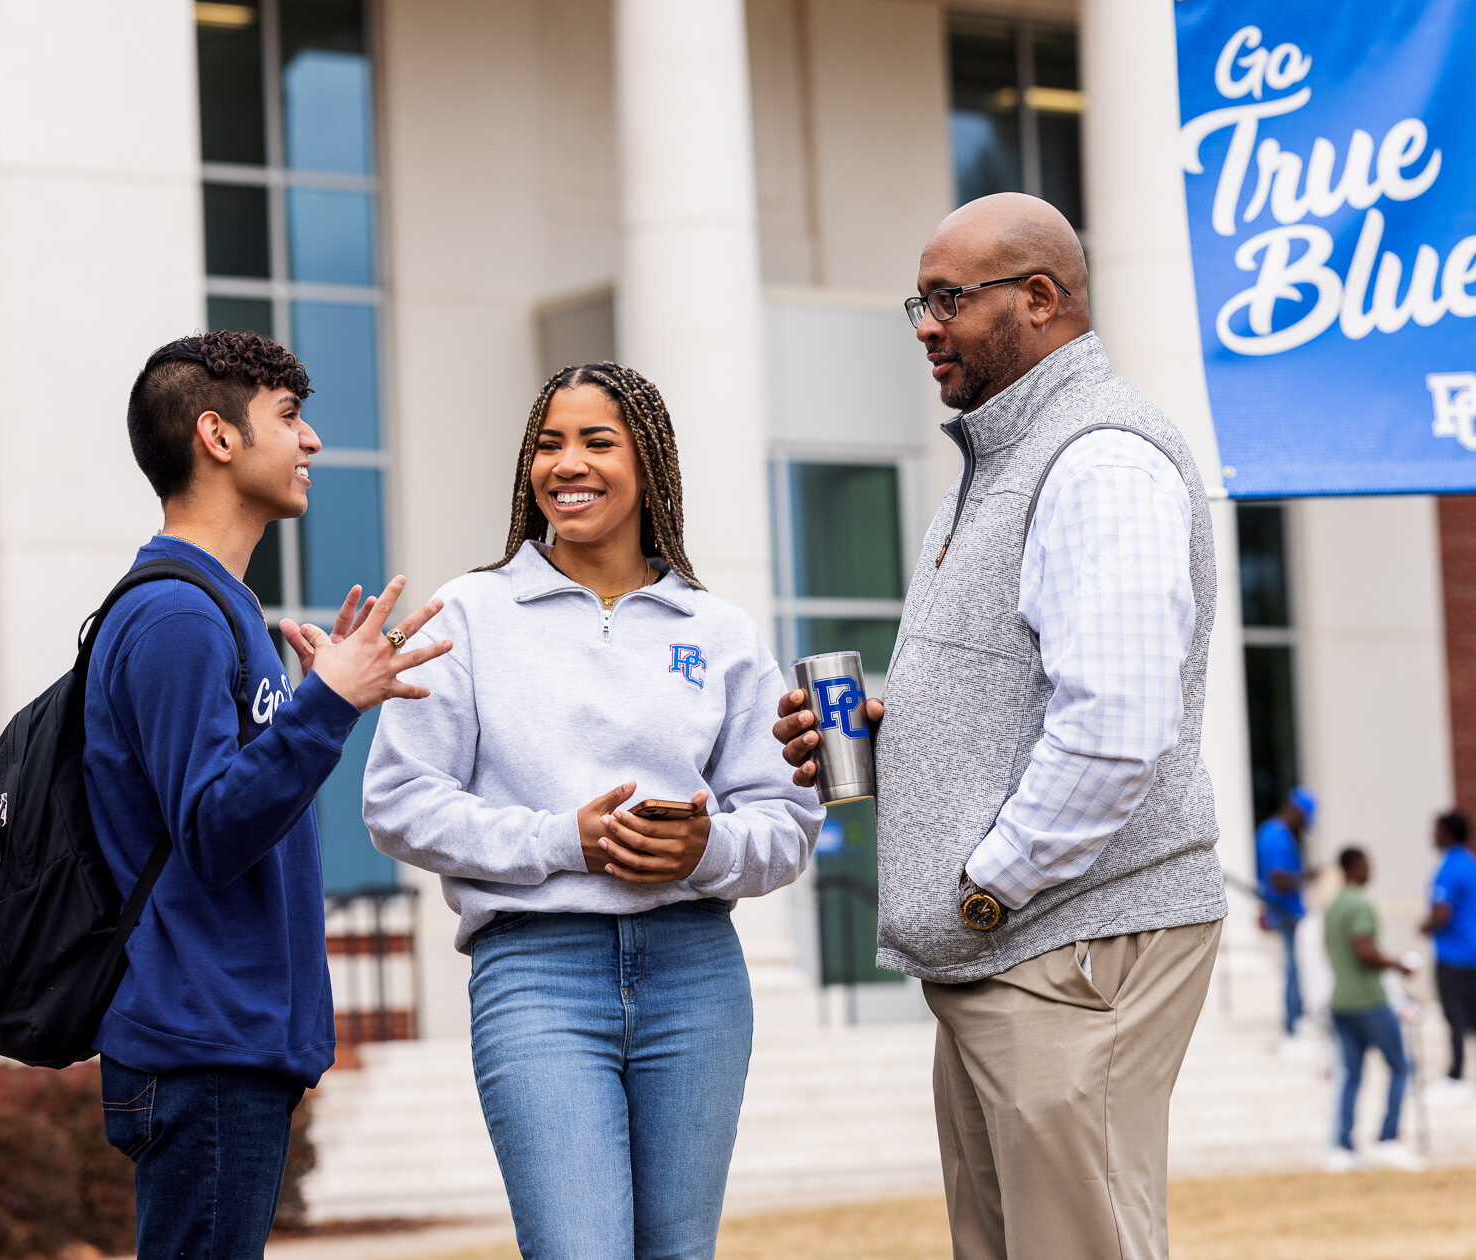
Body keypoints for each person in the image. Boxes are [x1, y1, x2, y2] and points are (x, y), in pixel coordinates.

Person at [775, 191, 1225, 1259]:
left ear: (1039, 298)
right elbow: (1024, 700)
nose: (925, 326)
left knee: (1077, 1244)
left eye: (948, 299)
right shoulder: (1001, 465)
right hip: (1017, 953)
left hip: (1065, 945)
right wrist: (899, 742)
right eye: (916, 303)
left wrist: (987, 889)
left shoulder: (1098, 460)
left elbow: (1115, 727)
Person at [363, 362, 822, 1258]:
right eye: (548, 443)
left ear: (648, 464)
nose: (566, 464)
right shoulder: (469, 612)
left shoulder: (716, 630)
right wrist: (561, 840)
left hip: (696, 975)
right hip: (537, 973)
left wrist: (705, 850)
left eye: (596, 442)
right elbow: (398, 802)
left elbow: (785, 822)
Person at [84, 332, 450, 1258]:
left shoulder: (225, 609)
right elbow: (211, 830)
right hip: (200, 1046)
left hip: (229, 1046)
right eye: (288, 417)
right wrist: (325, 708)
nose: (313, 441)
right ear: (217, 436)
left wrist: (312, 708)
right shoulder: (174, 614)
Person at [1322, 846, 1422, 1172]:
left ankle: (1342, 1145)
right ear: (1356, 867)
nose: (1371, 870)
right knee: (1401, 1066)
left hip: (1340, 1001)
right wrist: (1398, 964)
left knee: (1351, 1077)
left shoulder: (1332, 906)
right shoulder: (1360, 903)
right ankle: (1387, 1138)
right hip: (1369, 1000)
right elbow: (1364, 951)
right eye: (1367, 864)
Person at [1423, 809, 1476, 1101]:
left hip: (1452, 953)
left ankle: (1456, 1075)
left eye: (1436, 829)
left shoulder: (1450, 867)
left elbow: (1442, 911)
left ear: (1448, 833)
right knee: (1475, 1013)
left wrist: (1424, 926)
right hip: (1474, 951)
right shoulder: (1473, 864)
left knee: (1454, 1015)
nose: (1432, 835)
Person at [1255, 787, 1316, 1048]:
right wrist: (1308, 876)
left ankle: (1296, 1024)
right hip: (1287, 913)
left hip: (1286, 912)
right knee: (1295, 969)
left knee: (1296, 967)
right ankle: (1293, 1027)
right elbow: (1278, 879)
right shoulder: (1277, 836)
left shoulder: (1272, 833)